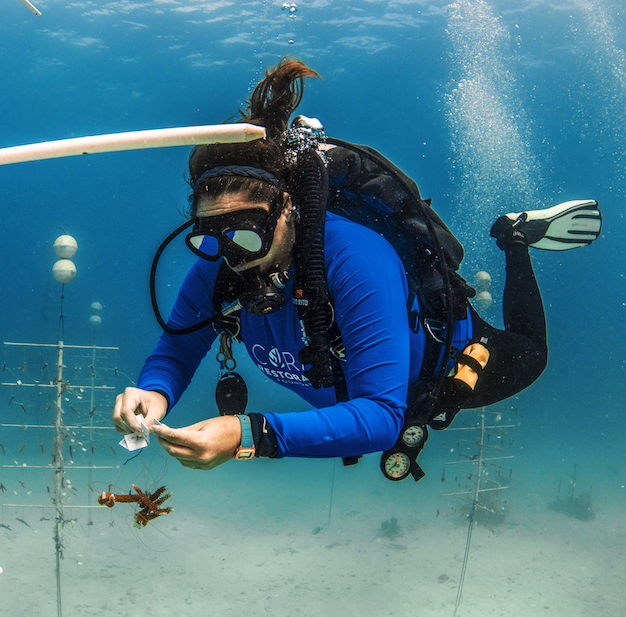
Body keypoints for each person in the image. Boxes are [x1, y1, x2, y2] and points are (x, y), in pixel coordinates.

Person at [113, 57, 602, 474]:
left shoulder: (354, 258)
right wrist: (154, 393)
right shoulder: (220, 261)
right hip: (353, 398)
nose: (232, 254)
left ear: (289, 210)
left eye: (247, 231)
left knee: (533, 355)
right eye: (209, 235)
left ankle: (515, 238)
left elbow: (381, 416)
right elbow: (177, 350)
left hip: (446, 363)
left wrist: (249, 434)